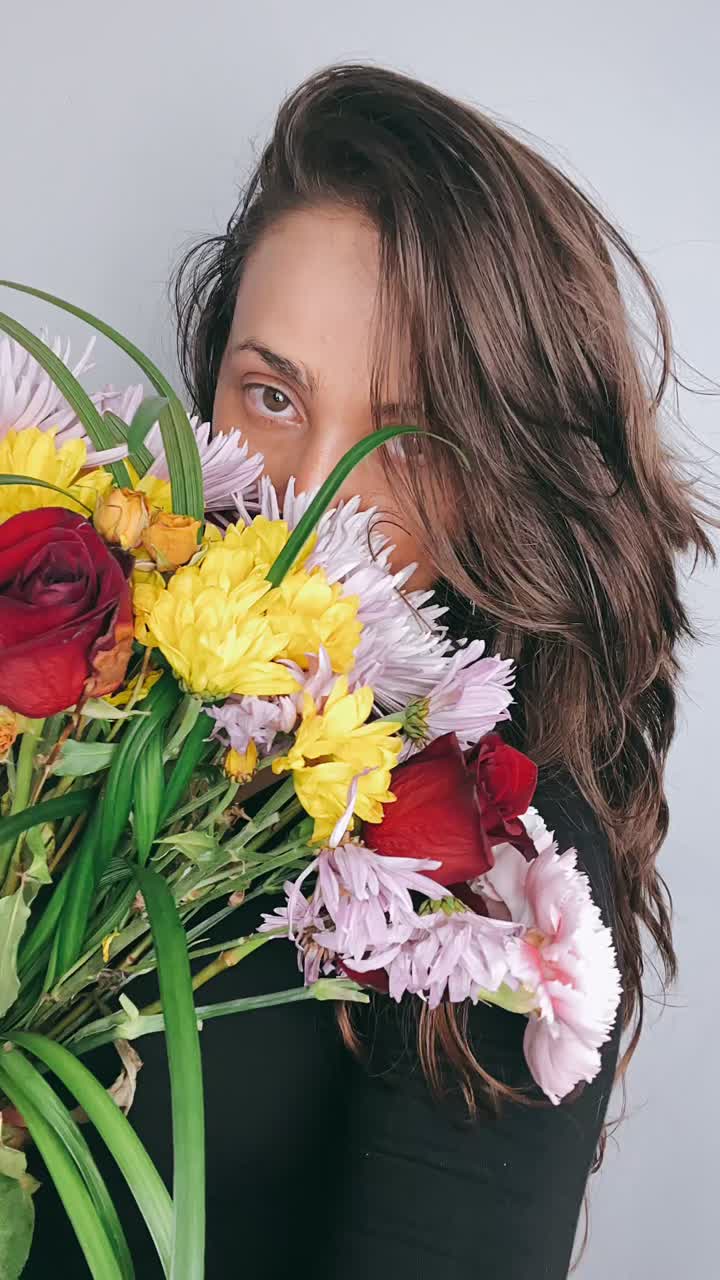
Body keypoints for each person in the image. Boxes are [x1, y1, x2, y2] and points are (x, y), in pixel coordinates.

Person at [26, 62, 714, 1278]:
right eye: (273, 393)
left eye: (412, 437)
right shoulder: (75, 653)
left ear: (510, 469)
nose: (309, 502)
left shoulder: (504, 871)